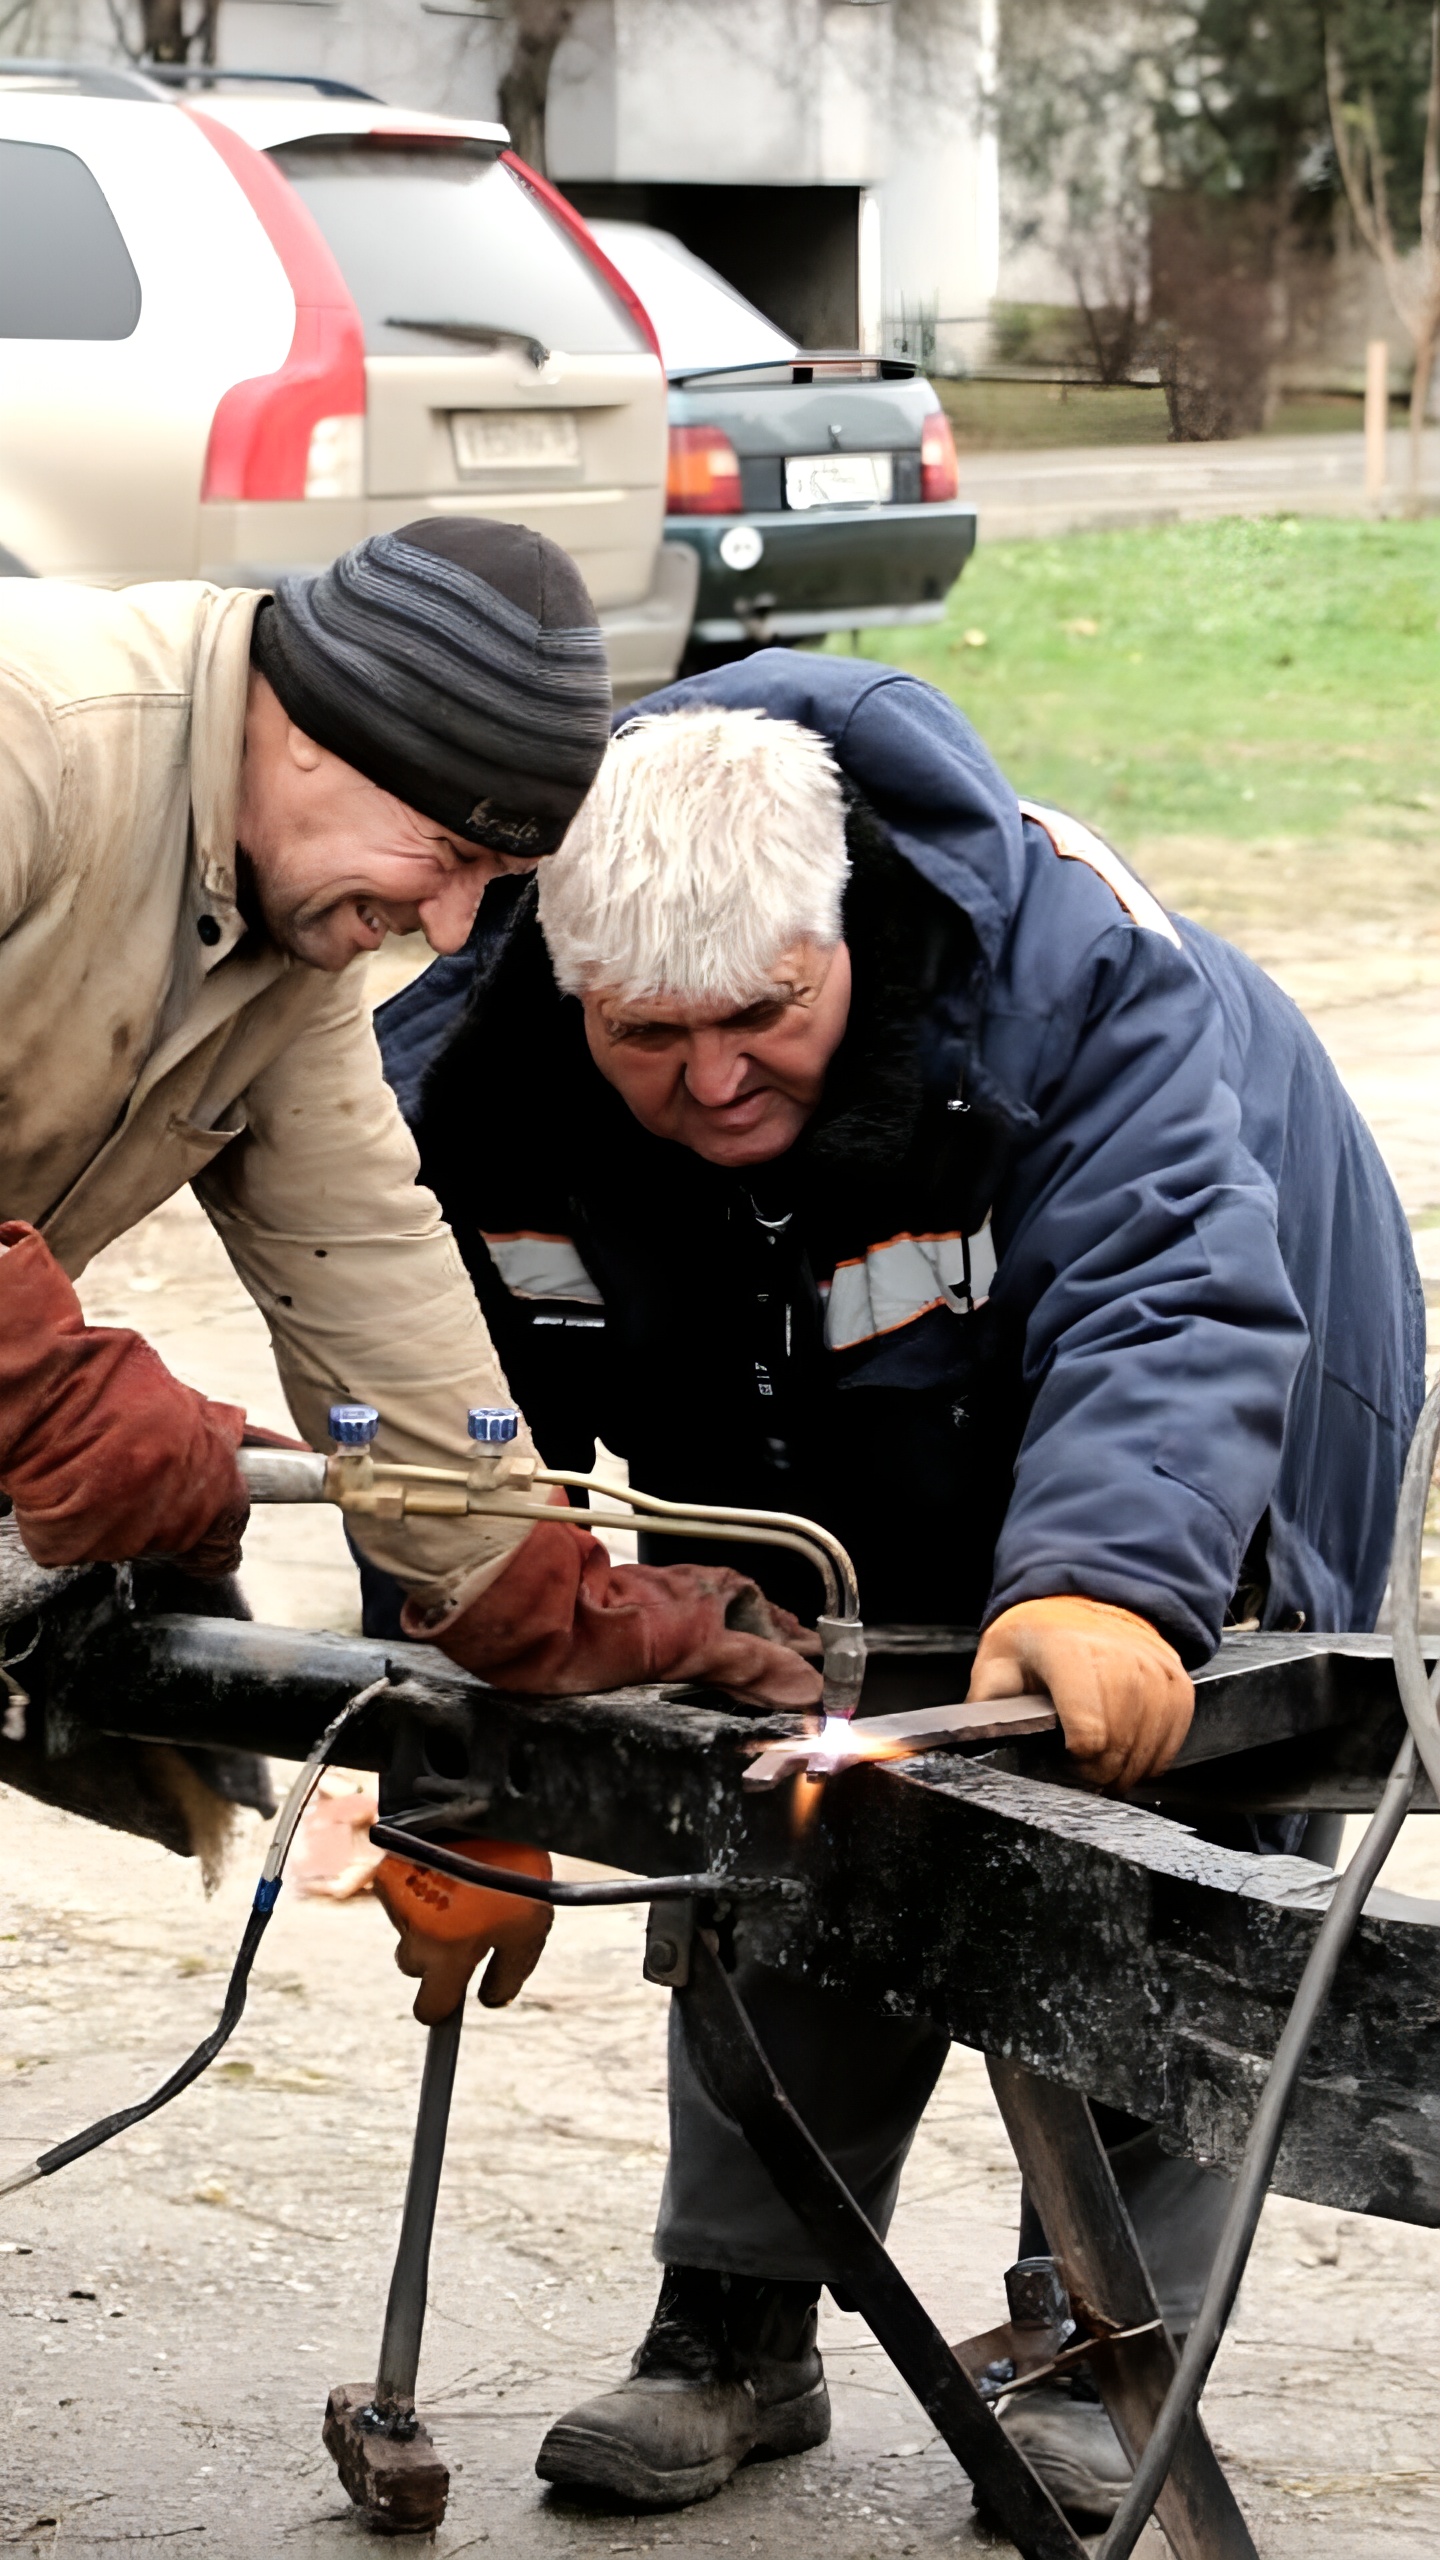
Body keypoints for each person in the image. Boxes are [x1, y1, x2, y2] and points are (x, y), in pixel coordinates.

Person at [369, 656, 1425, 2523]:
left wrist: (1112, 1581)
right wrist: (460, 1775)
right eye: (649, 1037)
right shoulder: (490, 1071)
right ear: (567, 978)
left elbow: (1168, 1291)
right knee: (787, 1759)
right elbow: (434, 1402)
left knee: (1159, 1817)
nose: (709, 1078)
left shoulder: (1076, 985)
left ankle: (1109, 2349)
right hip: (804, 1407)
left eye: (763, 1016)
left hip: (1227, 1366)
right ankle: (735, 2332)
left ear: (836, 925)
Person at [0, 524, 816, 1885]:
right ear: (313, 733)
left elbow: (362, 1255)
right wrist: (44, 1389)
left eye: (490, 887)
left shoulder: (288, 930)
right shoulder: (34, 734)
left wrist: (519, 1583)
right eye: (439, 852)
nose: (446, 932)